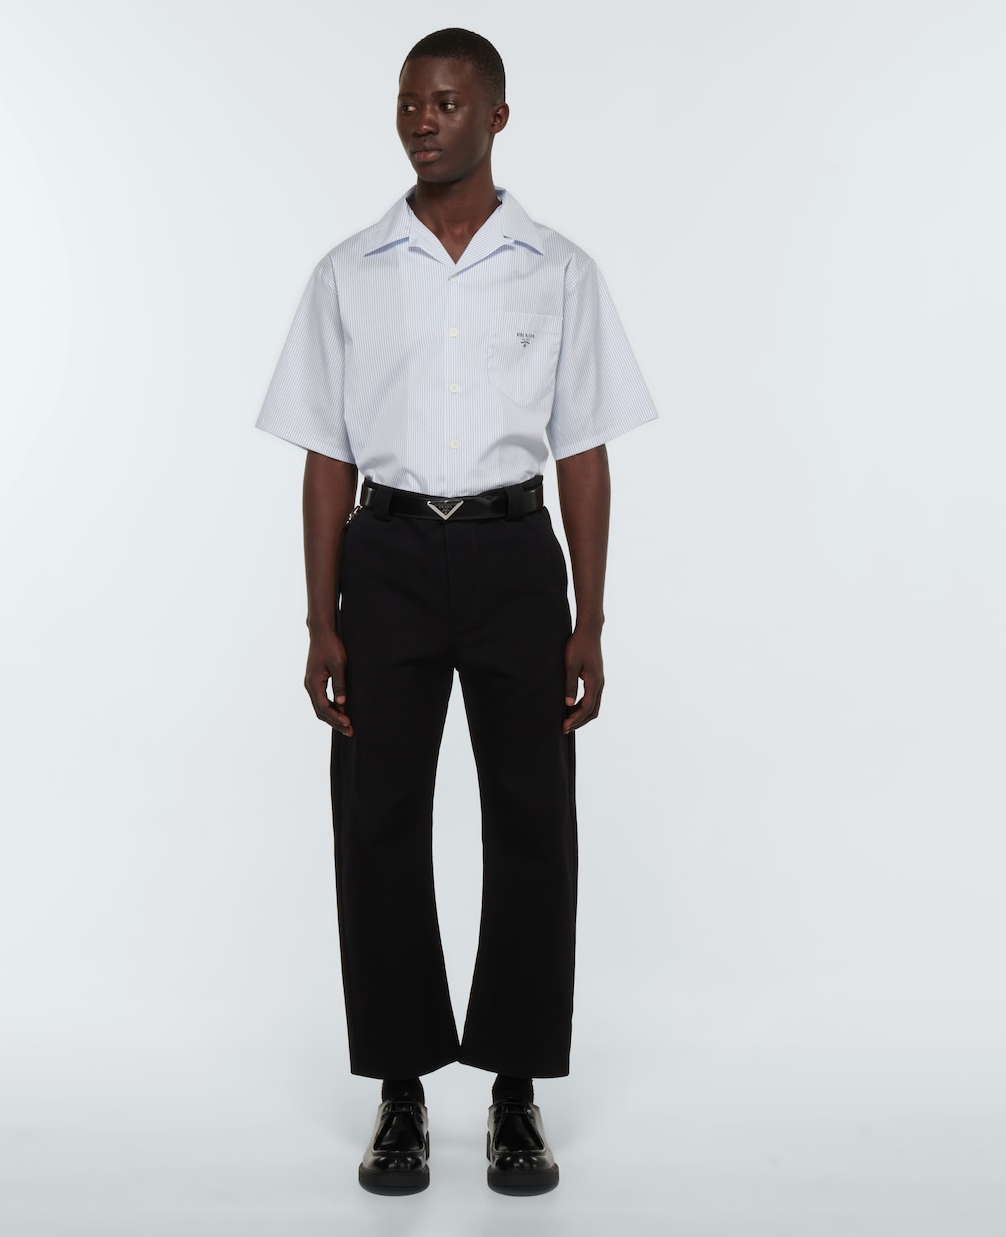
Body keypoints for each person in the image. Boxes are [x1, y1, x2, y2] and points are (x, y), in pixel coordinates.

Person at [255, 27, 658, 1195]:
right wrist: (319, 618)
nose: (420, 121)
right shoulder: (350, 271)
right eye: (406, 103)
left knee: (530, 819)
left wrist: (588, 619)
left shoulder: (557, 269)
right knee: (376, 819)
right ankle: (398, 1089)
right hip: (382, 556)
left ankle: (515, 1090)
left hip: (512, 556)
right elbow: (325, 455)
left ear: (494, 116)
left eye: (442, 102)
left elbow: (582, 451)